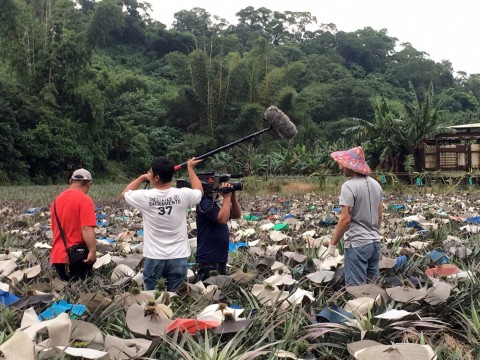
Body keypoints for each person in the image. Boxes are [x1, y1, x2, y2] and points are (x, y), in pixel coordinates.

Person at [122, 157, 203, 291]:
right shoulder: (182, 194)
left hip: (155, 256)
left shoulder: (145, 196)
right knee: (175, 296)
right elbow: (199, 192)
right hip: (178, 255)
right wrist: (190, 169)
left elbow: (125, 193)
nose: (149, 173)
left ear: (157, 177)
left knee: (151, 297)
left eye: (150, 172)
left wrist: (142, 177)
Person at [327, 146, 383, 286]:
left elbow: (345, 219)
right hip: (375, 243)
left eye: (344, 165)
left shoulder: (349, 186)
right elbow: (379, 216)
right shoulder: (376, 185)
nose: (342, 168)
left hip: (357, 244)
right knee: (372, 287)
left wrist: (333, 244)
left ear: (350, 166)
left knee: (356, 290)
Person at [50, 168, 97, 281]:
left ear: (71, 181)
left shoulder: (56, 200)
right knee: (80, 295)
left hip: (58, 257)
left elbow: (54, 228)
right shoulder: (84, 200)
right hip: (77, 257)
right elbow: (86, 228)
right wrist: (92, 251)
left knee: (64, 294)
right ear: (88, 185)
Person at [195, 183, 242, 281]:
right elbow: (223, 219)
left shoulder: (214, 203)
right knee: (209, 292)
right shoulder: (204, 202)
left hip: (219, 256)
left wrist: (232, 196)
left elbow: (236, 214)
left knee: (218, 291)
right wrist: (227, 198)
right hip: (209, 258)